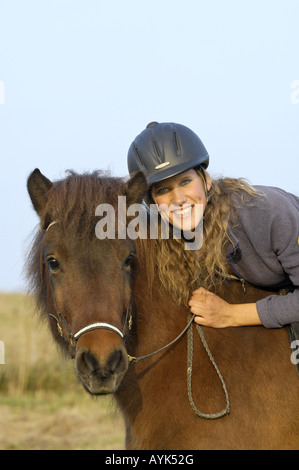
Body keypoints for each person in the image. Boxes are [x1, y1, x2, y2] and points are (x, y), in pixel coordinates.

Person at [127, 121, 299, 329]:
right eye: (163, 190)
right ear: (153, 203)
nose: (178, 199)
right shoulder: (163, 233)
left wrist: (231, 315)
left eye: (185, 182)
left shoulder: (267, 211)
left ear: (206, 180)